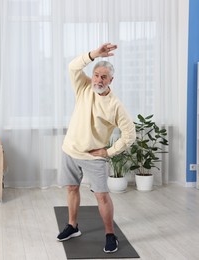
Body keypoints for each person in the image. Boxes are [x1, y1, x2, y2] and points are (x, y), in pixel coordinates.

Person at [57, 42, 136, 253]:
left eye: (104, 77)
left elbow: (130, 135)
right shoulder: (83, 87)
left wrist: (108, 152)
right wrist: (94, 54)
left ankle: (110, 234)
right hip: (70, 150)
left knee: (101, 196)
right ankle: (72, 226)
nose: (99, 80)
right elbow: (73, 66)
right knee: (72, 188)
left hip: (94, 156)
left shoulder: (115, 105)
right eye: (96, 75)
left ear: (111, 80)